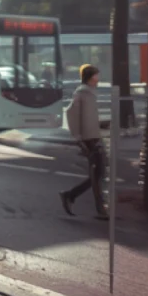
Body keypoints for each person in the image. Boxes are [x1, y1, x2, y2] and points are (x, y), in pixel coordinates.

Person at [60, 64, 108, 219]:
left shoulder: (91, 93)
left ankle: (70, 195)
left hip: (94, 136)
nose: (98, 78)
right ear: (90, 77)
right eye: (96, 75)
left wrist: (100, 124)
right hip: (89, 139)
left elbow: (88, 117)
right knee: (97, 174)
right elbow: (71, 113)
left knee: (99, 173)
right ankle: (99, 209)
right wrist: (78, 137)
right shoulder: (82, 93)